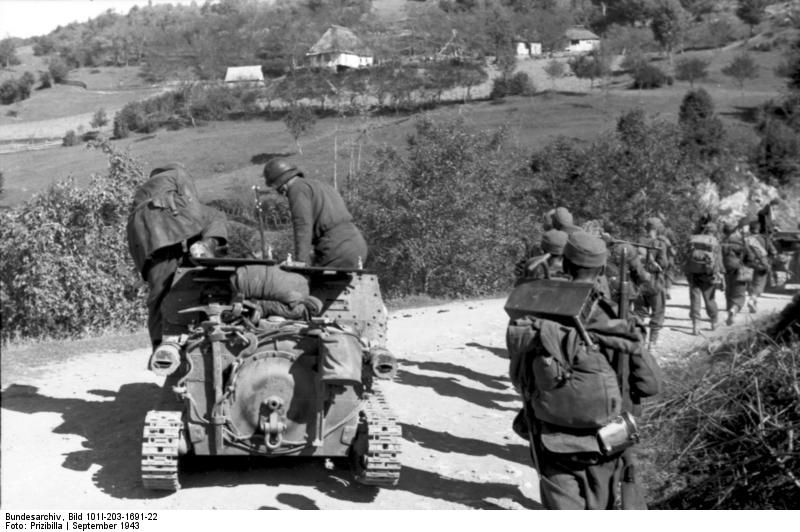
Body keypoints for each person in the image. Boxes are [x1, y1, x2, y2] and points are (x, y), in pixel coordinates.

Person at [508, 231, 662, 510]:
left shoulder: (537, 311)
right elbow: (651, 385)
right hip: (608, 440)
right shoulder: (614, 318)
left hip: (551, 439)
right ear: (602, 269)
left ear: (565, 266)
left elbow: (520, 380)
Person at [127, 163, 228, 349]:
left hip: (142, 236)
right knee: (215, 215)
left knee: (159, 291)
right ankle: (205, 245)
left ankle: (159, 345)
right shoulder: (178, 175)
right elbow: (192, 207)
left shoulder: (144, 191)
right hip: (168, 217)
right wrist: (200, 242)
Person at [263, 158, 367, 268]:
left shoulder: (297, 188)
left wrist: (301, 260)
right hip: (357, 245)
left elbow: (302, 224)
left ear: (281, 186)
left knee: (308, 283)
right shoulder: (320, 185)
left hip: (338, 248)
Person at [634, 217, 670, 350]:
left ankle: (639, 342)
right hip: (655, 283)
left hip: (639, 283)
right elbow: (664, 264)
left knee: (639, 313)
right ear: (657, 228)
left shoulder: (638, 241)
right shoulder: (660, 243)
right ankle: (652, 343)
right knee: (658, 312)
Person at [685, 222, 724, 335]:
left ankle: (696, 324)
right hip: (708, 273)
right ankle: (714, 321)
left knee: (694, 298)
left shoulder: (693, 239)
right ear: (714, 231)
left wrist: (687, 271)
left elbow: (686, 255)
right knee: (709, 299)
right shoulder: (715, 241)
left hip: (693, 273)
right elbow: (718, 260)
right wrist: (720, 273)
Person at [720, 220, 754, 326]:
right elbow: (751, 257)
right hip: (739, 270)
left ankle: (729, 310)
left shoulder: (721, 242)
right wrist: (746, 265)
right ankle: (734, 310)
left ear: (724, 231)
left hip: (725, 270)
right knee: (739, 294)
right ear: (734, 231)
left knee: (728, 292)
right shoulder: (741, 242)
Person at [744, 218, 777, 312]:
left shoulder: (745, 239)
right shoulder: (765, 239)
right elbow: (774, 252)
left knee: (750, 284)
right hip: (762, 265)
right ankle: (752, 299)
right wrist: (769, 262)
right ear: (759, 229)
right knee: (759, 284)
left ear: (750, 229)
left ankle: (753, 305)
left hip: (747, 265)